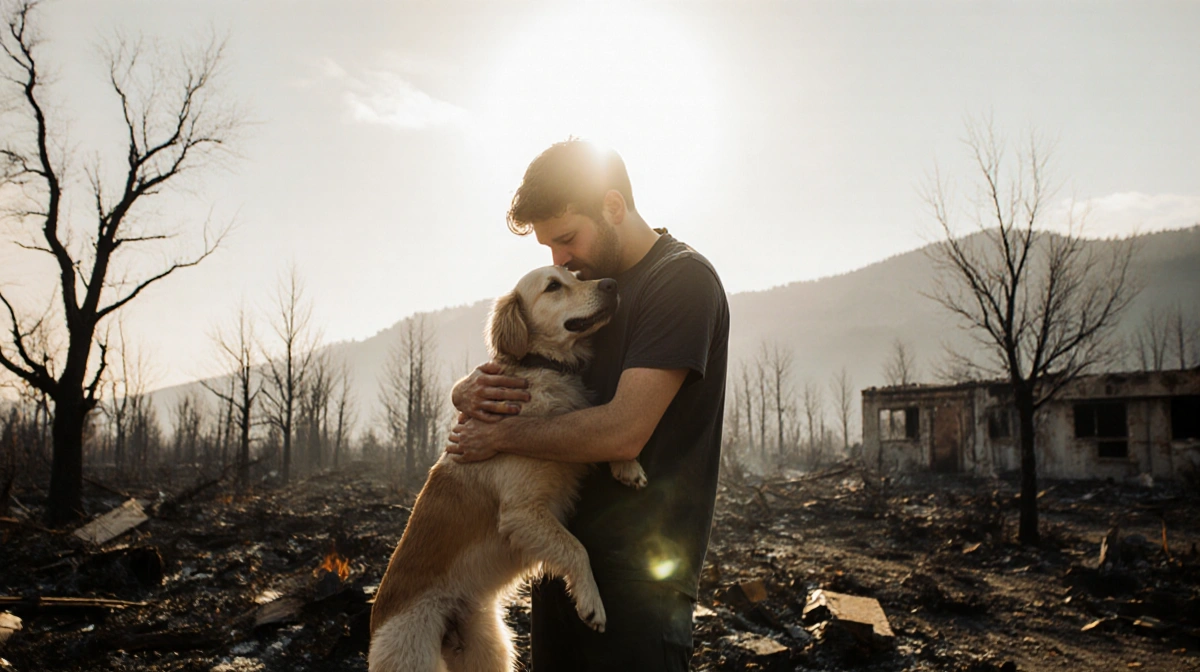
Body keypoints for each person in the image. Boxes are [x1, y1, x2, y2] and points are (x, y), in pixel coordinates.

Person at [446, 139, 729, 671]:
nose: (560, 258)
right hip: (558, 567)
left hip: (640, 585)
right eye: (550, 248)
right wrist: (466, 391)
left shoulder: (680, 283)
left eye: (567, 238)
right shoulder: (592, 292)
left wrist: (499, 435)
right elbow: (536, 369)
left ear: (613, 207)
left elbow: (623, 432)